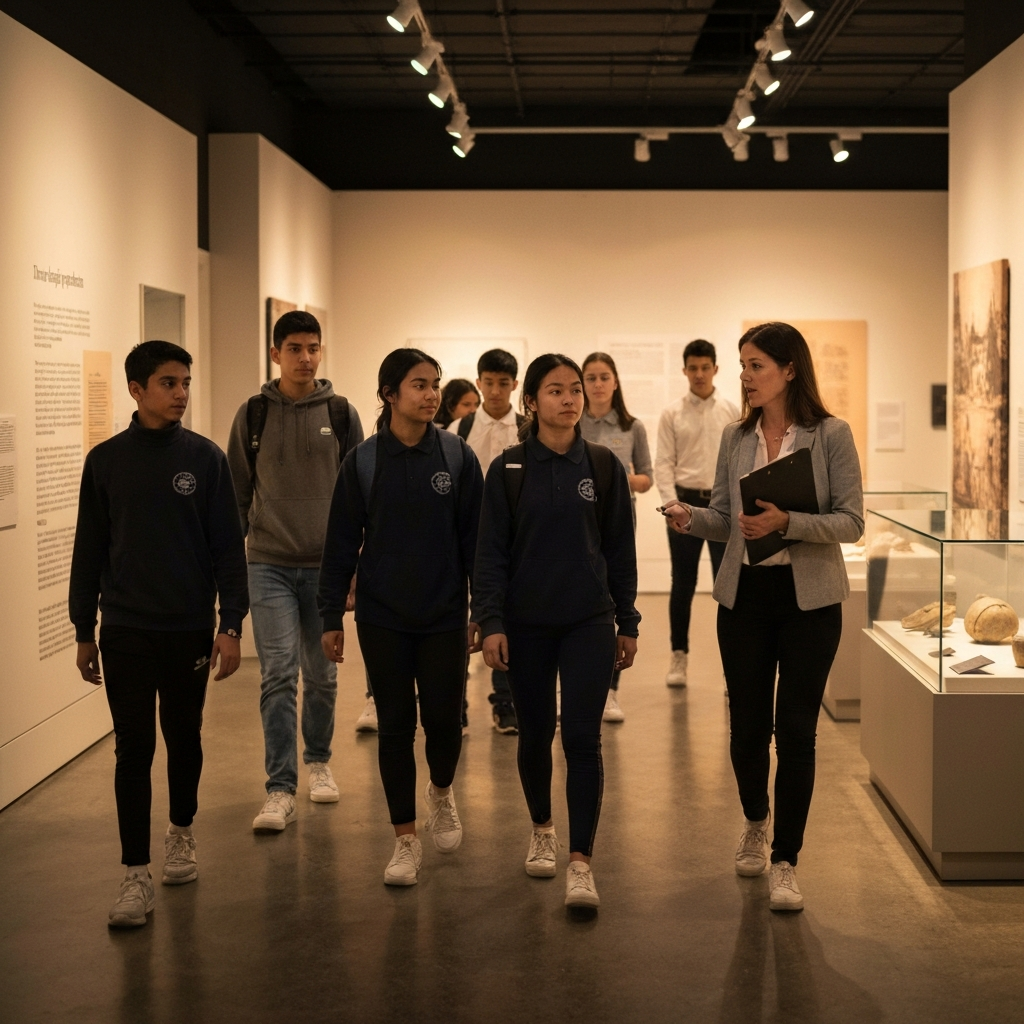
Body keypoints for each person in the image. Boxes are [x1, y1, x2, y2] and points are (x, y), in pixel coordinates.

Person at [661, 322, 863, 913]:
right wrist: (689, 518)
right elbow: (726, 518)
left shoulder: (831, 435)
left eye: (755, 366)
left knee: (797, 732)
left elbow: (851, 522)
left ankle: (786, 860)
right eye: (743, 365)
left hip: (810, 604)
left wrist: (788, 524)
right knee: (748, 729)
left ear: (789, 370)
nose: (744, 376)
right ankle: (755, 820)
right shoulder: (735, 436)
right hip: (745, 599)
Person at [69, 340, 248, 929]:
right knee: (133, 749)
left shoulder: (205, 459)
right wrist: (82, 628)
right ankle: (134, 875)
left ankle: (181, 833)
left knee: (184, 736)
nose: (181, 394)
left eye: (186, 383)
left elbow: (227, 548)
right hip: (125, 628)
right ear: (136, 390)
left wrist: (230, 625)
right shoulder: (106, 461)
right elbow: (89, 549)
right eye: (169, 383)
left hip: (188, 628)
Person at [473, 354, 639, 910]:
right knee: (536, 732)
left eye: (575, 390)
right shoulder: (509, 470)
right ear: (533, 402)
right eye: (555, 391)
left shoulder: (604, 466)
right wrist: (490, 620)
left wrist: (628, 620)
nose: (569, 399)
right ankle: (542, 829)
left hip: (588, 621)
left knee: (583, 739)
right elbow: (490, 553)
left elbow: (619, 549)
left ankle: (581, 861)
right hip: (526, 624)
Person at [319, 349, 484, 886]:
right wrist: (329, 616)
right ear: (390, 394)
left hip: (442, 616)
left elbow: (476, 544)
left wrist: (482, 610)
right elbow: (341, 545)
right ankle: (404, 839)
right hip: (382, 616)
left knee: (442, 722)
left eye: (435, 384)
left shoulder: (458, 458)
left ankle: (440, 791)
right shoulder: (363, 461)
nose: (432, 394)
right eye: (419, 385)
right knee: (394, 727)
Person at [226, 310, 364, 833]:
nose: (305, 358)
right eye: (295, 349)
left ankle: (319, 761)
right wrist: (230, 570)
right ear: (275, 353)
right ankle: (280, 786)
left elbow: (360, 500)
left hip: (327, 567)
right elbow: (238, 492)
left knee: (323, 674)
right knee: (279, 673)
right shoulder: (254, 413)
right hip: (268, 563)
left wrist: (354, 568)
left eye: (313, 348)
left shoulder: (342, 412)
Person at [447, 348, 525, 735]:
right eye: (489, 382)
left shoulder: (528, 427)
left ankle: (505, 703)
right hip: (465, 537)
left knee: (505, 618)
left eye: (504, 383)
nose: (496, 391)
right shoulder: (459, 429)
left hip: (513, 540)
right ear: (478, 383)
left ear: (515, 385)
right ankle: (455, 704)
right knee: (457, 617)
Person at [655, 339, 740, 688]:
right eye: (693, 368)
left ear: (716, 369)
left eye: (706, 367)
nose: (700, 374)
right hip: (685, 505)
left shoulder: (733, 411)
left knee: (728, 586)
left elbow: (740, 464)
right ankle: (679, 657)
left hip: (723, 506)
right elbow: (663, 464)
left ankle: (731, 665)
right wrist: (672, 506)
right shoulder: (671, 413)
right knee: (683, 583)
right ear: (685, 370)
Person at [580, 352, 652, 724]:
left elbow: (647, 477)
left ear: (615, 381)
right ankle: (572, 687)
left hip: (618, 522)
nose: (597, 384)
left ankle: (609, 692)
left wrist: (615, 477)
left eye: (604, 377)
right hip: (576, 523)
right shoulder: (570, 421)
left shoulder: (632, 426)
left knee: (612, 597)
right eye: (590, 377)